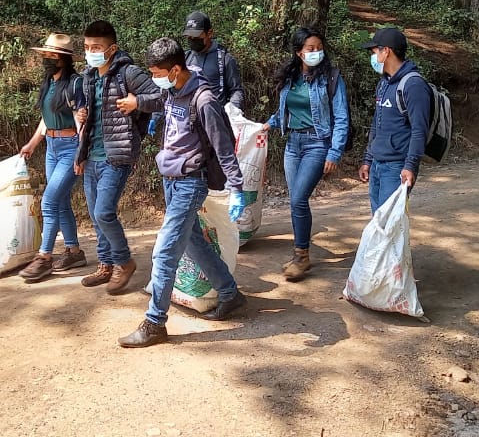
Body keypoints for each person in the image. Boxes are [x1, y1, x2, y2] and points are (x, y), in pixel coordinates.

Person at [118, 37, 249, 348]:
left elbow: (223, 147)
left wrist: (237, 188)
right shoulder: (173, 87)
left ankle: (154, 323)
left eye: (157, 72)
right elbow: (158, 100)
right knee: (192, 241)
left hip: (191, 181)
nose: (155, 78)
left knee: (164, 251)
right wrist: (142, 108)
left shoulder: (204, 101)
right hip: (171, 177)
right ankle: (229, 293)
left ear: (175, 69)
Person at [74, 20, 163, 295]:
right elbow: (90, 115)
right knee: (95, 214)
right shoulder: (88, 76)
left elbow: (161, 96)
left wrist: (137, 103)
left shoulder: (129, 73)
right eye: (87, 47)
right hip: (92, 155)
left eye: (97, 47)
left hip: (118, 153)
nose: (91, 52)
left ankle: (123, 262)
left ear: (112, 49)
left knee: (103, 212)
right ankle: (106, 264)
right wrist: (81, 122)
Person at [265, 27, 350, 282]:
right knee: (296, 201)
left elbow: (342, 117)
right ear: (298, 52)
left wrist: (334, 152)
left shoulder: (331, 77)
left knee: (299, 199)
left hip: (317, 143)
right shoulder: (290, 77)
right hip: (293, 143)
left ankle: (301, 256)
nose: (316, 53)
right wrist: (269, 124)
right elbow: (285, 110)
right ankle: (301, 253)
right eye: (310, 49)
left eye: (319, 48)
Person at [17, 33, 86, 282]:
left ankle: (44, 257)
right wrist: (33, 143)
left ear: (64, 59)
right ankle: (74, 251)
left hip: (70, 147)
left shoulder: (76, 84)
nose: (46, 58)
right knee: (61, 200)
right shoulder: (48, 82)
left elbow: (82, 121)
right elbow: (45, 119)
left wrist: (81, 152)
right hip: (52, 146)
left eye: (51, 55)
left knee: (48, 201)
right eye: (45, 54)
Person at [358, 27, 431, 213]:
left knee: (389, 225)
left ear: (386, 51)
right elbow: (377, 123)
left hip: (397, 167)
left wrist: (410, 166)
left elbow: (419, 130)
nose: (373, 57)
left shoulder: (414, 85)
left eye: (375, 51)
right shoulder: (384, 83)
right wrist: (368, 159)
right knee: (379, 223)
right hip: (377, 164)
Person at [181, 11, 245, 109]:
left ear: (209, 33)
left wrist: (232, 110)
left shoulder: (225, 59)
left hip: (215, 117)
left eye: (197, 35)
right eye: (189, 36)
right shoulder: (186, 58)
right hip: (190, 117)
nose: (192, 39)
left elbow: (236, 90)